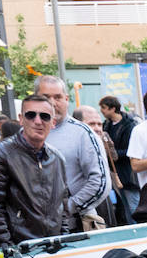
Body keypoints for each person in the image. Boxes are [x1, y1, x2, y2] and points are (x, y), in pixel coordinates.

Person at [0, 94, 71, 245]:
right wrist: (6, 245)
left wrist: (63, 238)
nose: (37, 121)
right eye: (31, 115)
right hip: (19, 249)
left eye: (45, 116)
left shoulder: (57, 157)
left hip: (54, 247)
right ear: (21, 119)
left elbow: (63, 204)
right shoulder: (1, 153)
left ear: (53, 122)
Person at [34, 76, 109, 230]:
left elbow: (100, 182)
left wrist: (68, 207)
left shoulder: (83, 134)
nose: (53, 103)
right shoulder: (24, 135)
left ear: (67, 100)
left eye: (58, 97)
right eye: (46, 97)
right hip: (34, 226)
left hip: (76, 225)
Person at [74, 105, 124, 226]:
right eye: (91, 124)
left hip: (111, 202)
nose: (97, 129)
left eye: (99, 124)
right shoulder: (74, 149)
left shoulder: (103, 141)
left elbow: (114, 158)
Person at [99, 95, 139, 218]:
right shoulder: (106, 125)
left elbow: (131, 150)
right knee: (121, 209)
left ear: (113, 108)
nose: (102, 111)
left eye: (104, 108)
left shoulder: (129, 125)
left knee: (133, 207)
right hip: (113, 174)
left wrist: (114, 154)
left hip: (127, 174)